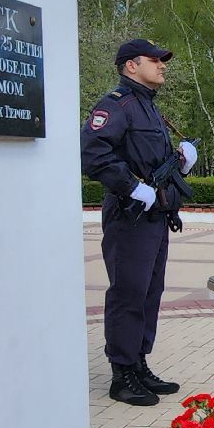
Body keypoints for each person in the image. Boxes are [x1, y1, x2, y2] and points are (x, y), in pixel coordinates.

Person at [81, 39, 197, 407]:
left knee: (150, 292)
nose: (162, 65)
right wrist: (130, 187)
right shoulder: (117, 105)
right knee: (128, 293)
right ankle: (122, 373)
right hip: (129, 216)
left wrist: (181, 163)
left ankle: (139, 362)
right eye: (155, 60)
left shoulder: (148, 109)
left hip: (155, 216)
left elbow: (150, 164)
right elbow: (91, 154)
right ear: (131, 66)